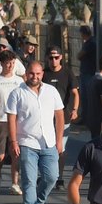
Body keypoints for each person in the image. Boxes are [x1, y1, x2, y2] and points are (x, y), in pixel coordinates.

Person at [7, 61, 64, 204]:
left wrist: (59, 140)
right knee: (29, 181)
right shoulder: (17, 93)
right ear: (26, 74)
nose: (35, 77)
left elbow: (59, 116)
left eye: (38, 73)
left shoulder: (51, 91)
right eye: (32, 73)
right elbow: (11, 119)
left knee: (52, 177)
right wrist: (13, 141)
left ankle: (39, 201)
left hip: (49, 142)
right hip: (27, 142)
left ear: (42, 74)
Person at [0, 49, 24, 194]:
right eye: (8, 63)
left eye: (13, 63)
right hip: (1, 119)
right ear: (2, 63)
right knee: (1, 154)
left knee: (15, 153)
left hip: (17, 120)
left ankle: (15, 183)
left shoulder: (19, 81)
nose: (10, 66)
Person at [42, 46, 79, 188]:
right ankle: (46, 175)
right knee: (45, 147)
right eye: (51, 58)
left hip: (64, 117)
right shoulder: (43, 74)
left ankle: (60, 177)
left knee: (60, 148)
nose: (53, 60)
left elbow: (75, 93)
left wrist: (75, 110)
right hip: (46, 118)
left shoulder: (68, 73)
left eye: (56, 57)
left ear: (61, 57)